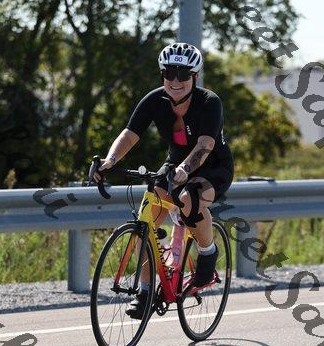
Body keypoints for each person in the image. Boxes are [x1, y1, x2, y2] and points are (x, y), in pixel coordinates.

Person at [92, 42, 234, 319]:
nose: (175, 81)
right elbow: (130, 134)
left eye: (183, 74)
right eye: (169, 73)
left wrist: (185, 169)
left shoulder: (209, 102)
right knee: (146, 221)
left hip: (212, 167)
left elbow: (205, 145)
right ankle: (145, 292)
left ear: (195, 76)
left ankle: (208, 252)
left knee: (189, 200)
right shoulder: (154, 100)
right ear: (162, 75)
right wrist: (110, 161)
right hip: (174, 166)